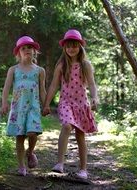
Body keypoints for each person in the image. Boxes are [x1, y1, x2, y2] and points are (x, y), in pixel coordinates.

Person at [42, 29, 98, 180]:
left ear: (80, 46)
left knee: (80, 135)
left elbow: (92, 84)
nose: (71, 49)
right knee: (67, 126)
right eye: (68, 46)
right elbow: (54, 85)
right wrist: (46, 104)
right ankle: (60, 163)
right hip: (66, 102)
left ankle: (83, 169)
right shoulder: (61, 65)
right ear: (64, 48)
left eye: (74, 45)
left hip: (81, 104)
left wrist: (95, 98)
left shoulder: (85, 65)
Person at [1, 35, 46, 176]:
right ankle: (21, 166)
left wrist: (46, 105)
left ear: (34, 51)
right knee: (20, 136)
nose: (27, 50)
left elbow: (42, 90)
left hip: (33, 107)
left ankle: (30, 151)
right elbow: (6, 88)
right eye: (23, 48)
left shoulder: (39, 70)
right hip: (18, 108)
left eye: (30, 48)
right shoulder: (13, 70)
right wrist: (4, 103)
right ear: (18, 53)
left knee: (33, 133)